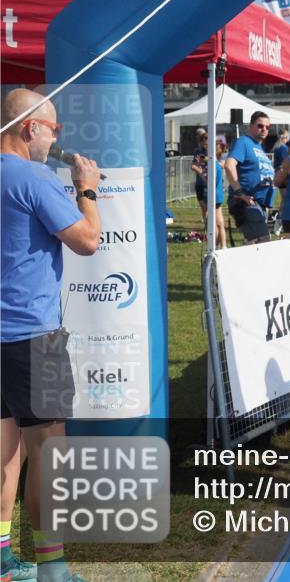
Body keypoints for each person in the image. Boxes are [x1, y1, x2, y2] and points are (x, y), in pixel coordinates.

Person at [2, 88, 100, 582]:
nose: (57, 138)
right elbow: (87, 241)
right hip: (33, 334)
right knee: (47, 454)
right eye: (53, 129)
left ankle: (2, 556)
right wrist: (87, 189)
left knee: (5, 451)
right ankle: (52, 569)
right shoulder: (34, 177)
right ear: (28, 128)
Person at [224, 111, 276, 244]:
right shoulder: (244, 142)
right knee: (261, 243)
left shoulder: (259, 147)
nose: (264, 129)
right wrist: (240, 193)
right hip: (246, 202)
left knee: (255, 245)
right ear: (250, 126)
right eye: (260, 126)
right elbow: (229, 165)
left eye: (267, 127)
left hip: (258, 204)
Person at [191, 140, 228, 248]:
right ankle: (220, 245)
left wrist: (199, 172)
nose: (205, 154)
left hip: (215, 196)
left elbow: (209, 183)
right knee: (218, 223)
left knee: (216, 223)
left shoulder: (215, 166)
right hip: (214, 195)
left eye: (207, 151)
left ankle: (219, 246)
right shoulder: (214, 165)